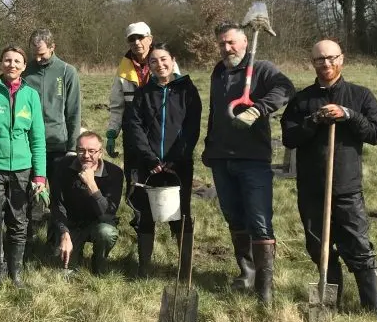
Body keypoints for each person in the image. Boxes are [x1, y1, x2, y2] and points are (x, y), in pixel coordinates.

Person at [280, 40, 377, 322]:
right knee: (318, 247)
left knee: (358, 245)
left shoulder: (360, 96)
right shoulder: (301, 100)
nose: (326, 64)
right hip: (311, 188)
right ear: (313, 63)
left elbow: (376, 133)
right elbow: (289, 138)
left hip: (346, 188)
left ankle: (373, 307)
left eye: (331, 58)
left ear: (342, 59)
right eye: (319, 60)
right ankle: (328, 304)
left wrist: (349, 115)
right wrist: (313, 120)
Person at [202, 19, 294, 305]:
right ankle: (247, 273)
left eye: (231, 42)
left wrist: (258, 110)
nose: (226, 48)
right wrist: (209, 146)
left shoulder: (262, 69)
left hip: (253, 159)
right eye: (221, 43)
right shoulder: (219, 71)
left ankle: (264, 290)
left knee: (259, 221)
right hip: (221, 158)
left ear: (244, 42)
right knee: (234, 217)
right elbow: (216, 112)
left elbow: (286, 89)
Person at [0, 45, 47, 288]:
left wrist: (40, 175)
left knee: (18, 223)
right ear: (0, 64)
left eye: (17, 61)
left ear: (24, 66)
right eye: (7, 60)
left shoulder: (31, 96)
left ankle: (15, 274)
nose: (11, 65)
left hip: (23, 171)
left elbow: (37, 138)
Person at [123, 42, 202, 278]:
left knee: (180, 214)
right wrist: (149, 158)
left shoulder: (188, 91)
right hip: (147, 165)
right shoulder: (142, 94)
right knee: (145, 213)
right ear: (149, 65)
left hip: (179, 165)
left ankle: (184, 268)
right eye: (154, 61)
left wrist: (176, 159)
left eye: (164, 59)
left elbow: (192, 128)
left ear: (173, 59)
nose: (160, 65)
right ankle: (144, 267)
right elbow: (134, 127)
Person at [22, 28, 82, 251]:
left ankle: (56, 240)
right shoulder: (25, 72)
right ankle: (25, 238)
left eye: (42, 55)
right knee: (28, 193)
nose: (38, 59)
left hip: (58, 144)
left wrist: (72, 147)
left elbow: (73, 112)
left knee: (59, 195)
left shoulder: (67, 72)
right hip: (29, 145)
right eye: (34, 54)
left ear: (53, 48)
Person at [105, 22, 155, 230]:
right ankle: (139, 217)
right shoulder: (124, 69)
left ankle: (164, 216)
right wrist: (112, 132)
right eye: (131, 39)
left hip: (159, 131)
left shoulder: (163, 60)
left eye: (140, 37)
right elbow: (117, 105)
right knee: (134, 177)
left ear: (150, 39)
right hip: (132, 132)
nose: (136, 42)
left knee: (158, 175)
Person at [53, 131, 124, 275]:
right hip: (71, 224)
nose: (86, 155)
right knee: (65, 269)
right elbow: (57, 204)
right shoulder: (62, 166)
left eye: (91, 151)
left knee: (106, 232)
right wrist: (63, 232)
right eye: (81, 150)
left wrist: (92, 185)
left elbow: (108, 214)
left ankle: (99, 262)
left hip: (98, 223)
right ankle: (72, 252)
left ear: (100, 152)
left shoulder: (115, 173)